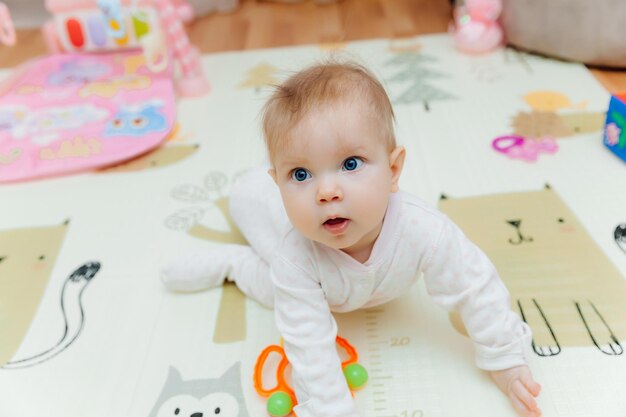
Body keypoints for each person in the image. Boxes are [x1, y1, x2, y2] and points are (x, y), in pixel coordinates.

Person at [161, 61, 542, 417]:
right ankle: (232, 261)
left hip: (350, 282)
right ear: (278, 184)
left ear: (393, 170)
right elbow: (308, 346)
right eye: (300, 174)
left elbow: (474, 286)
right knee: (268, 271)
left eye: (350, 164)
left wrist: (506, 359)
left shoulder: (422, 228)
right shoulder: (293, 257)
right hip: (297, 261)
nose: (327, 191)